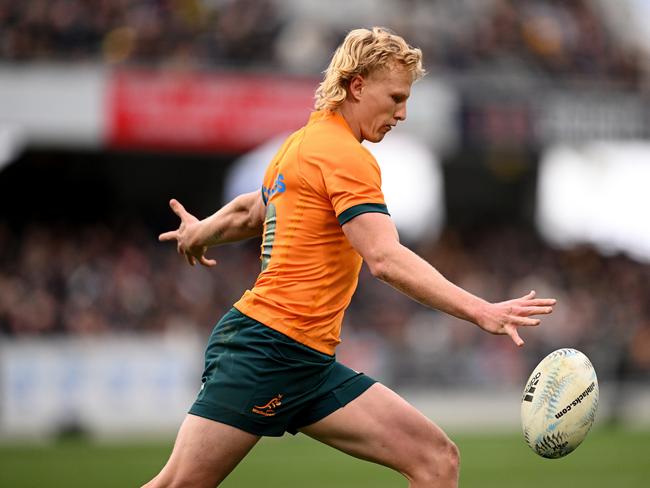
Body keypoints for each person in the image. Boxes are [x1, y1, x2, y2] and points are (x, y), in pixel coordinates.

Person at [145, 27, 556, 488]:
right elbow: (383, 258)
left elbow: (252, 210)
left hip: (308, 360)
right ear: (356, 85)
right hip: (267, 348)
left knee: (436, 460)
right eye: (396, 97)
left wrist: (201, 232)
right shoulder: (344, 155)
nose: (402, 113)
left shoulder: (300, 144)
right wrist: (482, 310)